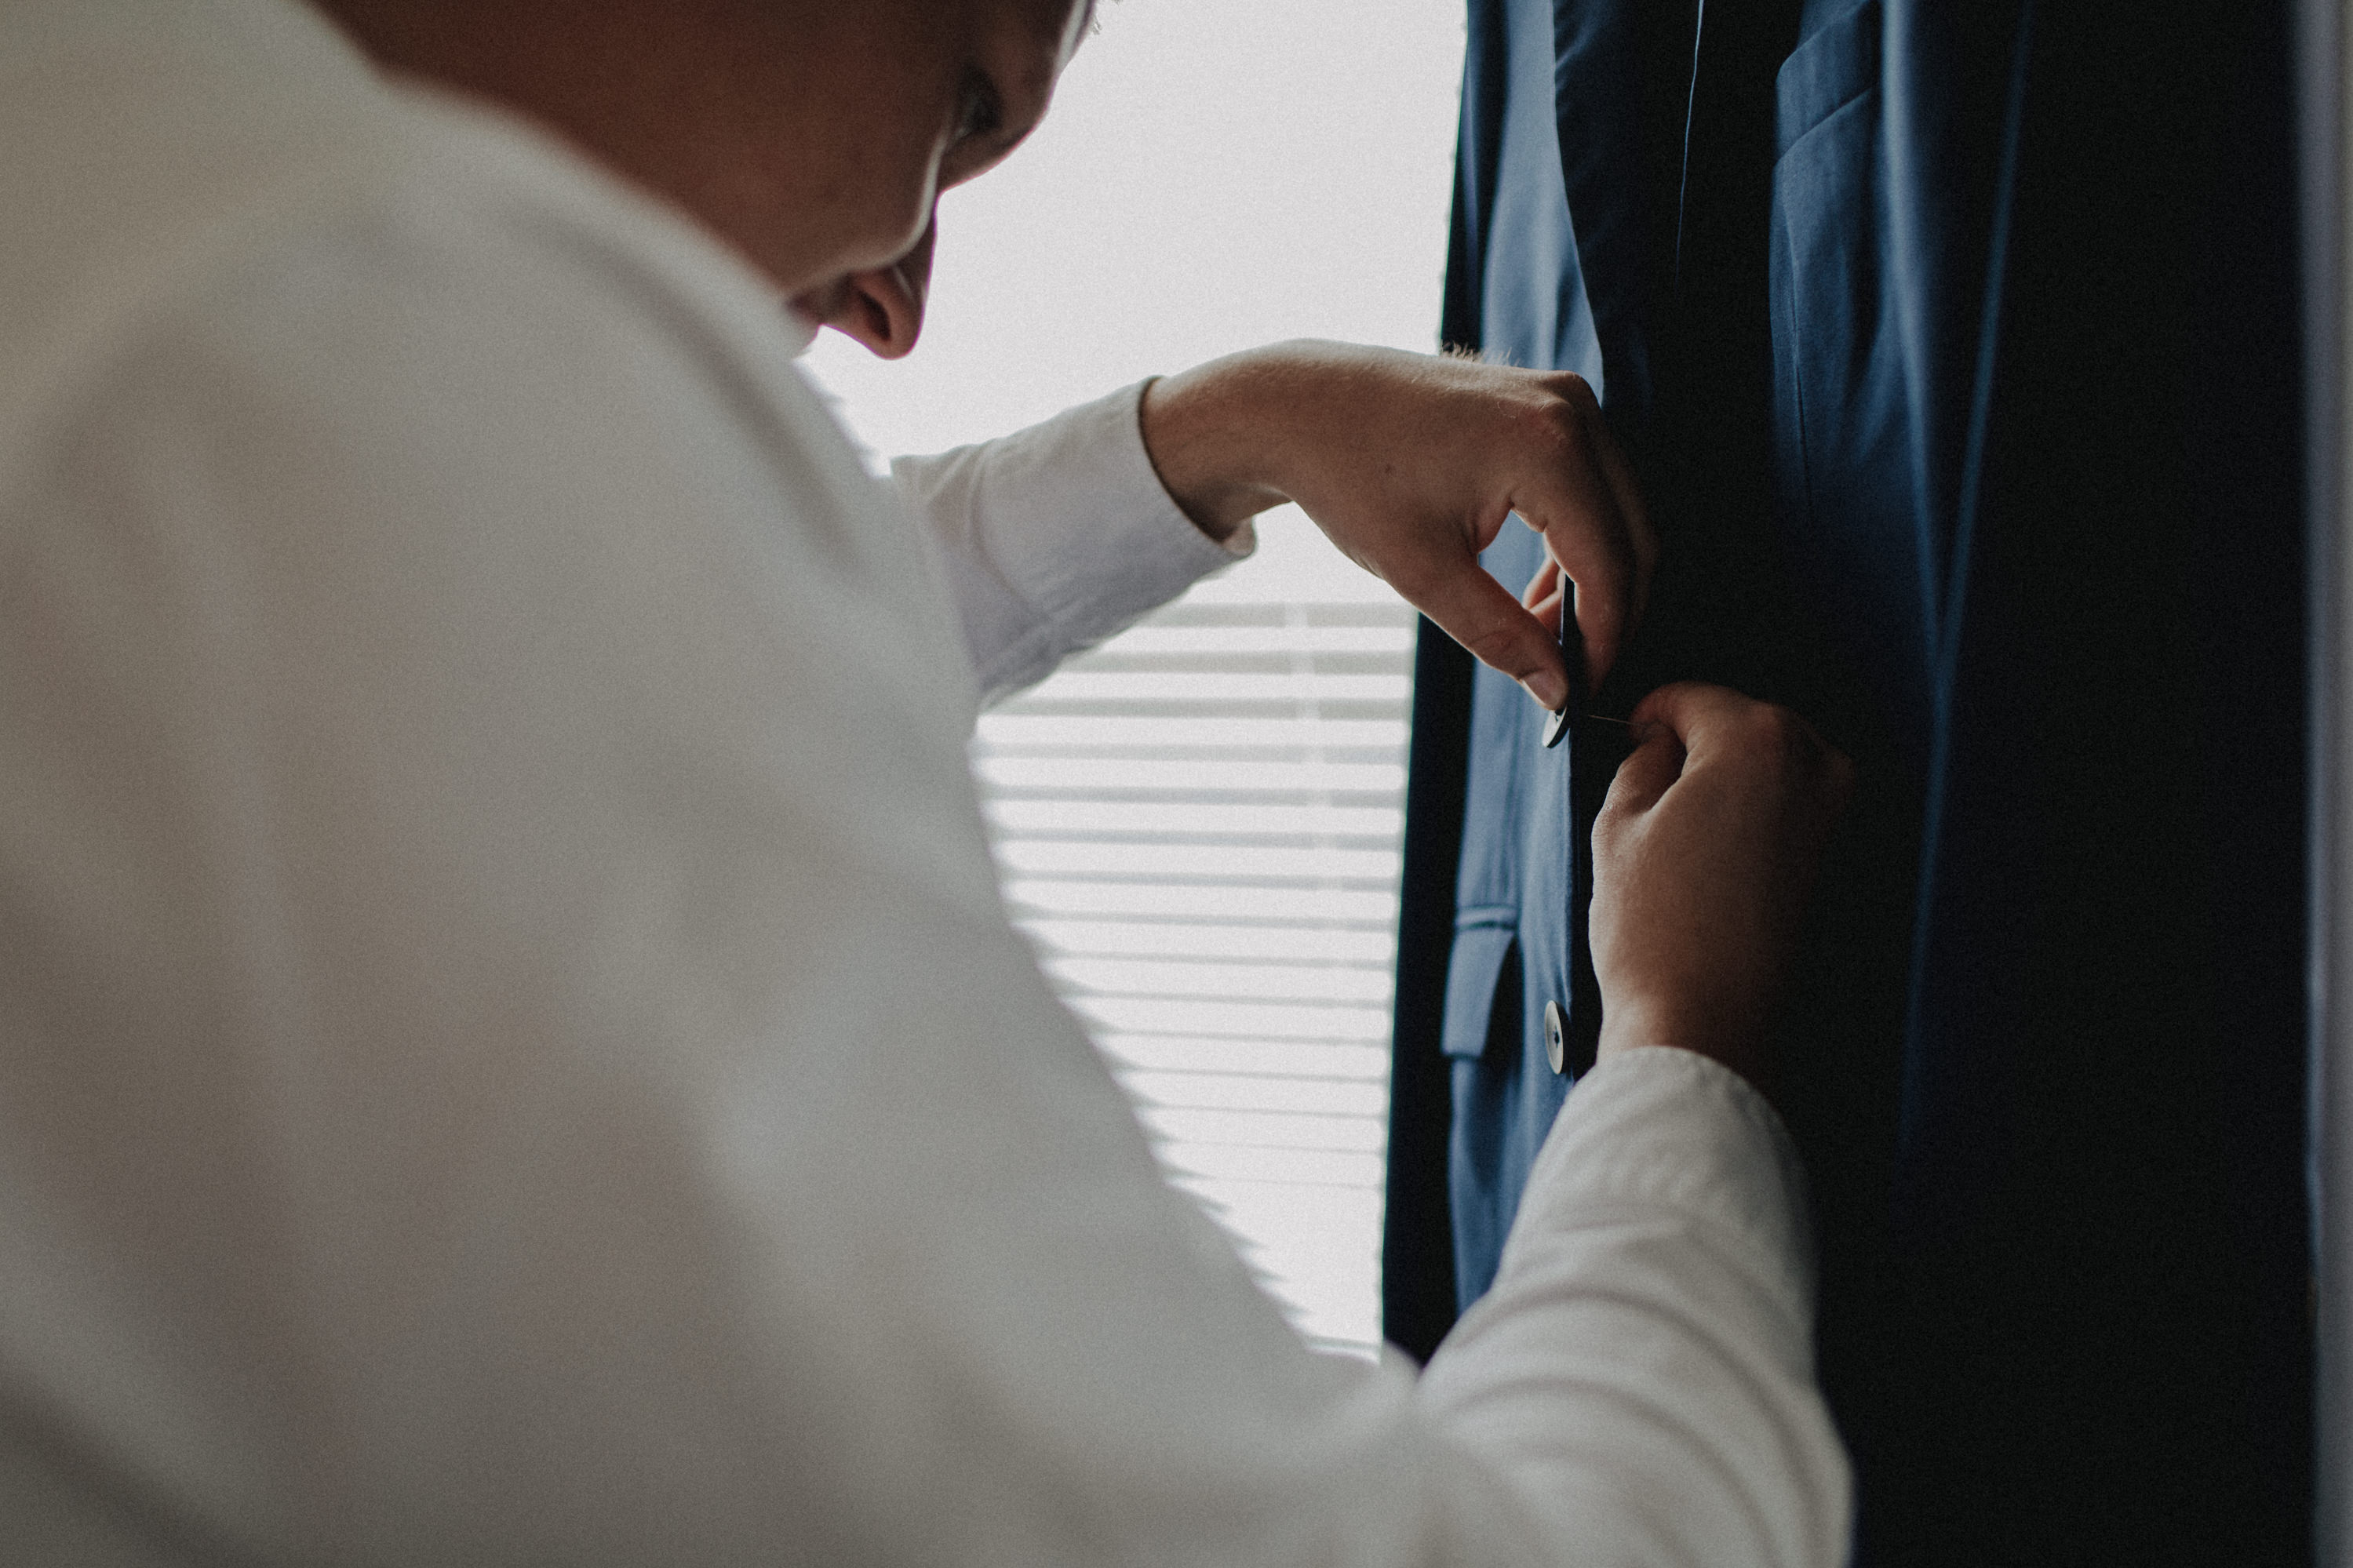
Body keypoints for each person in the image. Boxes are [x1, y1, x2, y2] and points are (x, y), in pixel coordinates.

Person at [0, 0, 1856, 1562]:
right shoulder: (316, 362)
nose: (898, 307)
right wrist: (1695, 1058)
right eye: (965, 100)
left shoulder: (111, 204)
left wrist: (1225, 435)